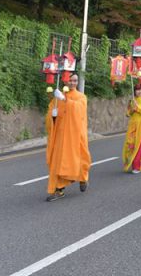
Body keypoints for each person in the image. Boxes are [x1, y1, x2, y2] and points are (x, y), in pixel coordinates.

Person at [45, 73, 91, 201]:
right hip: (60, 135)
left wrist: (66, 100)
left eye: (75, 80)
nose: (72, 83)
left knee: (80, 158)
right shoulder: (58, 97)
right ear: (65, 81)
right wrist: (52, 116)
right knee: (58, 161)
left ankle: (83, 178)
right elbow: (50, 115)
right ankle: (58, 190)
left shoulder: (81, 97)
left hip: (76, 135)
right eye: (70, 80)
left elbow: (79, 110)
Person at [122, 84, 141, 174]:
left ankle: (137, 166)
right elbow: (127, 114)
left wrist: (137, 106)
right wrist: (132, 109)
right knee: (130, 144)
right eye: (137, 90)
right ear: (134, 91)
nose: (139, 91)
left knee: (139, 144)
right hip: (132, 124)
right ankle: (130, 163)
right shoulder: (131, 101)